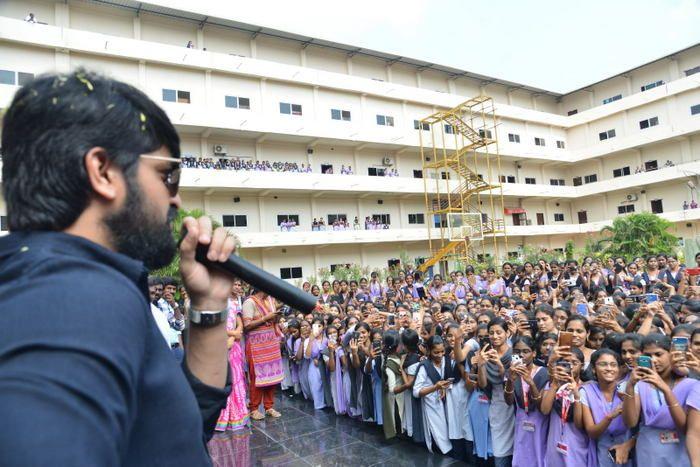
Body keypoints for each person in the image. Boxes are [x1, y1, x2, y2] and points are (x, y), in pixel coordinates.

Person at [0, 70, 235, 466]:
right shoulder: (72, 293)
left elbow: (175, 434)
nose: (176, 201)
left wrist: (209, 306)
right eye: (167, 176)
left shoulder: (78, 281)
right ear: (103, 172)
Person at [242, 289, 284, 420]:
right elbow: (247, 325)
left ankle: (269, 406)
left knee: (272, 376)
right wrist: (266, 318)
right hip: (256, 345)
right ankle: (254, 408)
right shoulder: (249, 302)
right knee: (257, 377)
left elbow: (273, 319)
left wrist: (276, 317)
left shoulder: (270, 300)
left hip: (271, 343)